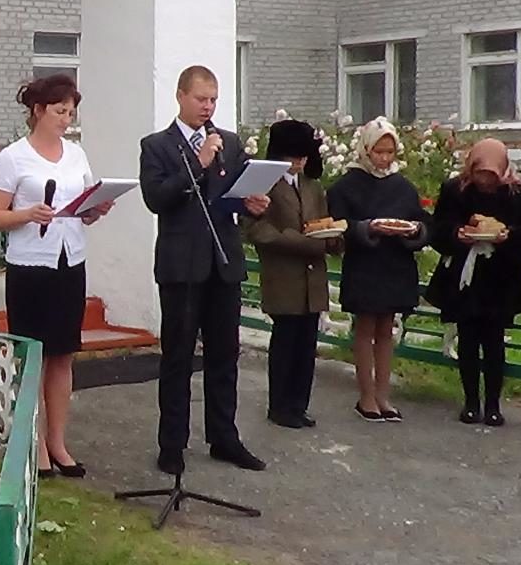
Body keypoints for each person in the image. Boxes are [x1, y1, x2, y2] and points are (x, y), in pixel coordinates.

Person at [139, 66, 270, 475]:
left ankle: (224, 437)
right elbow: (157, 198)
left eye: (213, 99)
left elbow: (232, 194)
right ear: (181, 96)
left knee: (224, 355)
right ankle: (172, 444)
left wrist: (252, 203)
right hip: (182, 266)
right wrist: (198, 162)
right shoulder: (158, 146)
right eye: (200, 99)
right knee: (178, 357)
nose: (208, 107)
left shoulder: (229, 142)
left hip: (223, 262)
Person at [0, 75, 113, 479]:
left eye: (71, 113)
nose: (66, 119)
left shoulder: (76, 155)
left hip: (69, 262)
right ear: (38, 110)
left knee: (63, 353)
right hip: (30, 267)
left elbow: (82, 204)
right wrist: (26, 214)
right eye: (60, 111)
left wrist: (94, 210)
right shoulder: (13, 157)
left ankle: (58, 442)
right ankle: (35, 444)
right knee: (36, 356)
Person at [425, 139, 521, 426]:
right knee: (467, 339)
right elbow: (438, 229)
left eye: (491, 175)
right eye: (480, 174)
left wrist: (508, 236)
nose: (485, 181)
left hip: (501, 277)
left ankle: (493, 404)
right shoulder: (456, 190)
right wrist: (457, 234)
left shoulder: (519, 194)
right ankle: (471, 402)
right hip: (464, 277)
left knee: (494, 341)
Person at [326, 117, 430, 423]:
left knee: (387, 329)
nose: (384, 159)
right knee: (365, 327)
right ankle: (366, 396)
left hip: (396, 264)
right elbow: (338, 224)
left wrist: (414, 230)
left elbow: (421, 220)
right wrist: (367, 228)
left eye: (389, 152)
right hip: (364, 265)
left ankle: (384, 395)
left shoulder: (402, 186)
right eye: (378, 151)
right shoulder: (347, 185)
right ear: (366, 149)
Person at [243, 119, 339, 430]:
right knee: (285, 341)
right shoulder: (266, 184)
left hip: (313, 276)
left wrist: (334, 236)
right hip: (283, 274)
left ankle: (299, 404)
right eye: (294, 156)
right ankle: (279, 405)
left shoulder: (312, 186)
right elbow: (255, 229)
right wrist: (298, 241)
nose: (299, 162)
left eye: (303, 156)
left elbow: (323, 220)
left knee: (306, 344)